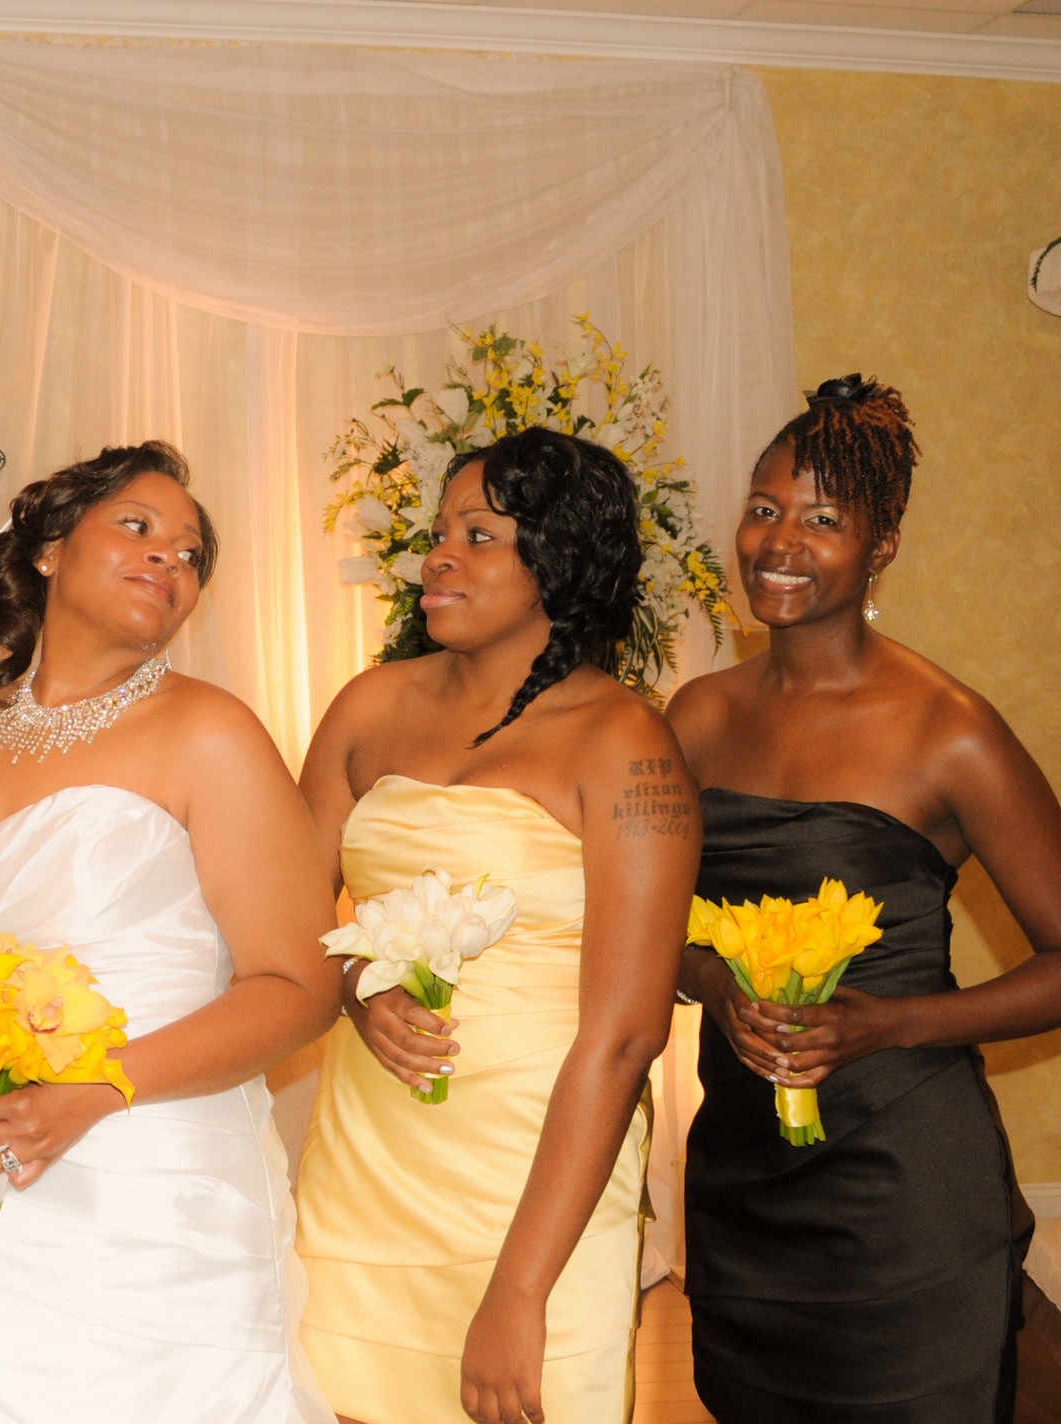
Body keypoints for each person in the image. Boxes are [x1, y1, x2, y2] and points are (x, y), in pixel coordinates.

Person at [0, 441, 341, 1424]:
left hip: (138, 1195)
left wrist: (96, 1088)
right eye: (138, 526)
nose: (170, 557)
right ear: (48, 547)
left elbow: (300, 985)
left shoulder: (211, 732)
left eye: (190, 553)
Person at [669, 376, 1058, 1423]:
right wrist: (714, 983)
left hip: (904, 1189)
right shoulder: (695, 717)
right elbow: (643, 931)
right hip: (742, 1187)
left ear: (881, 545)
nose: (778, 542)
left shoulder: (948, 730)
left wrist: (887, 1023)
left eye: (822, 519)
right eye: (764, 508)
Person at [294, 427, 697, 1424]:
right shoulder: (365, 706)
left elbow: (626, 1035)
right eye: (440, 532)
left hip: (536, 1180)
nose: (438, 556)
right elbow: (285, 924)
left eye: (478, 535)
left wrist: (519, 1291)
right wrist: (356, 991)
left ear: (558, 560)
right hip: (368, 1166)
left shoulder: (625, 742)